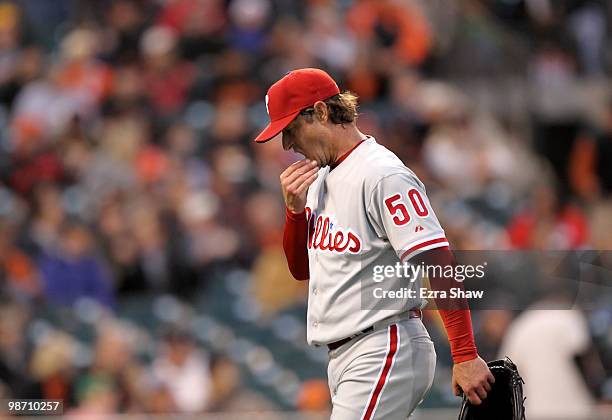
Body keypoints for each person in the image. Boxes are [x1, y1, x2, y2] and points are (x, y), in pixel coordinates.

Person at [254, 68, 494, 419]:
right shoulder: (322, 176)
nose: (288, 144)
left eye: (291, 129)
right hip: (348, 355)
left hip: (383, 344)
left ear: (321, 112)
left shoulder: (382, 173)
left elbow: (438, 260)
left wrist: (465, 354)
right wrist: (294, 213)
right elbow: (300, 270)